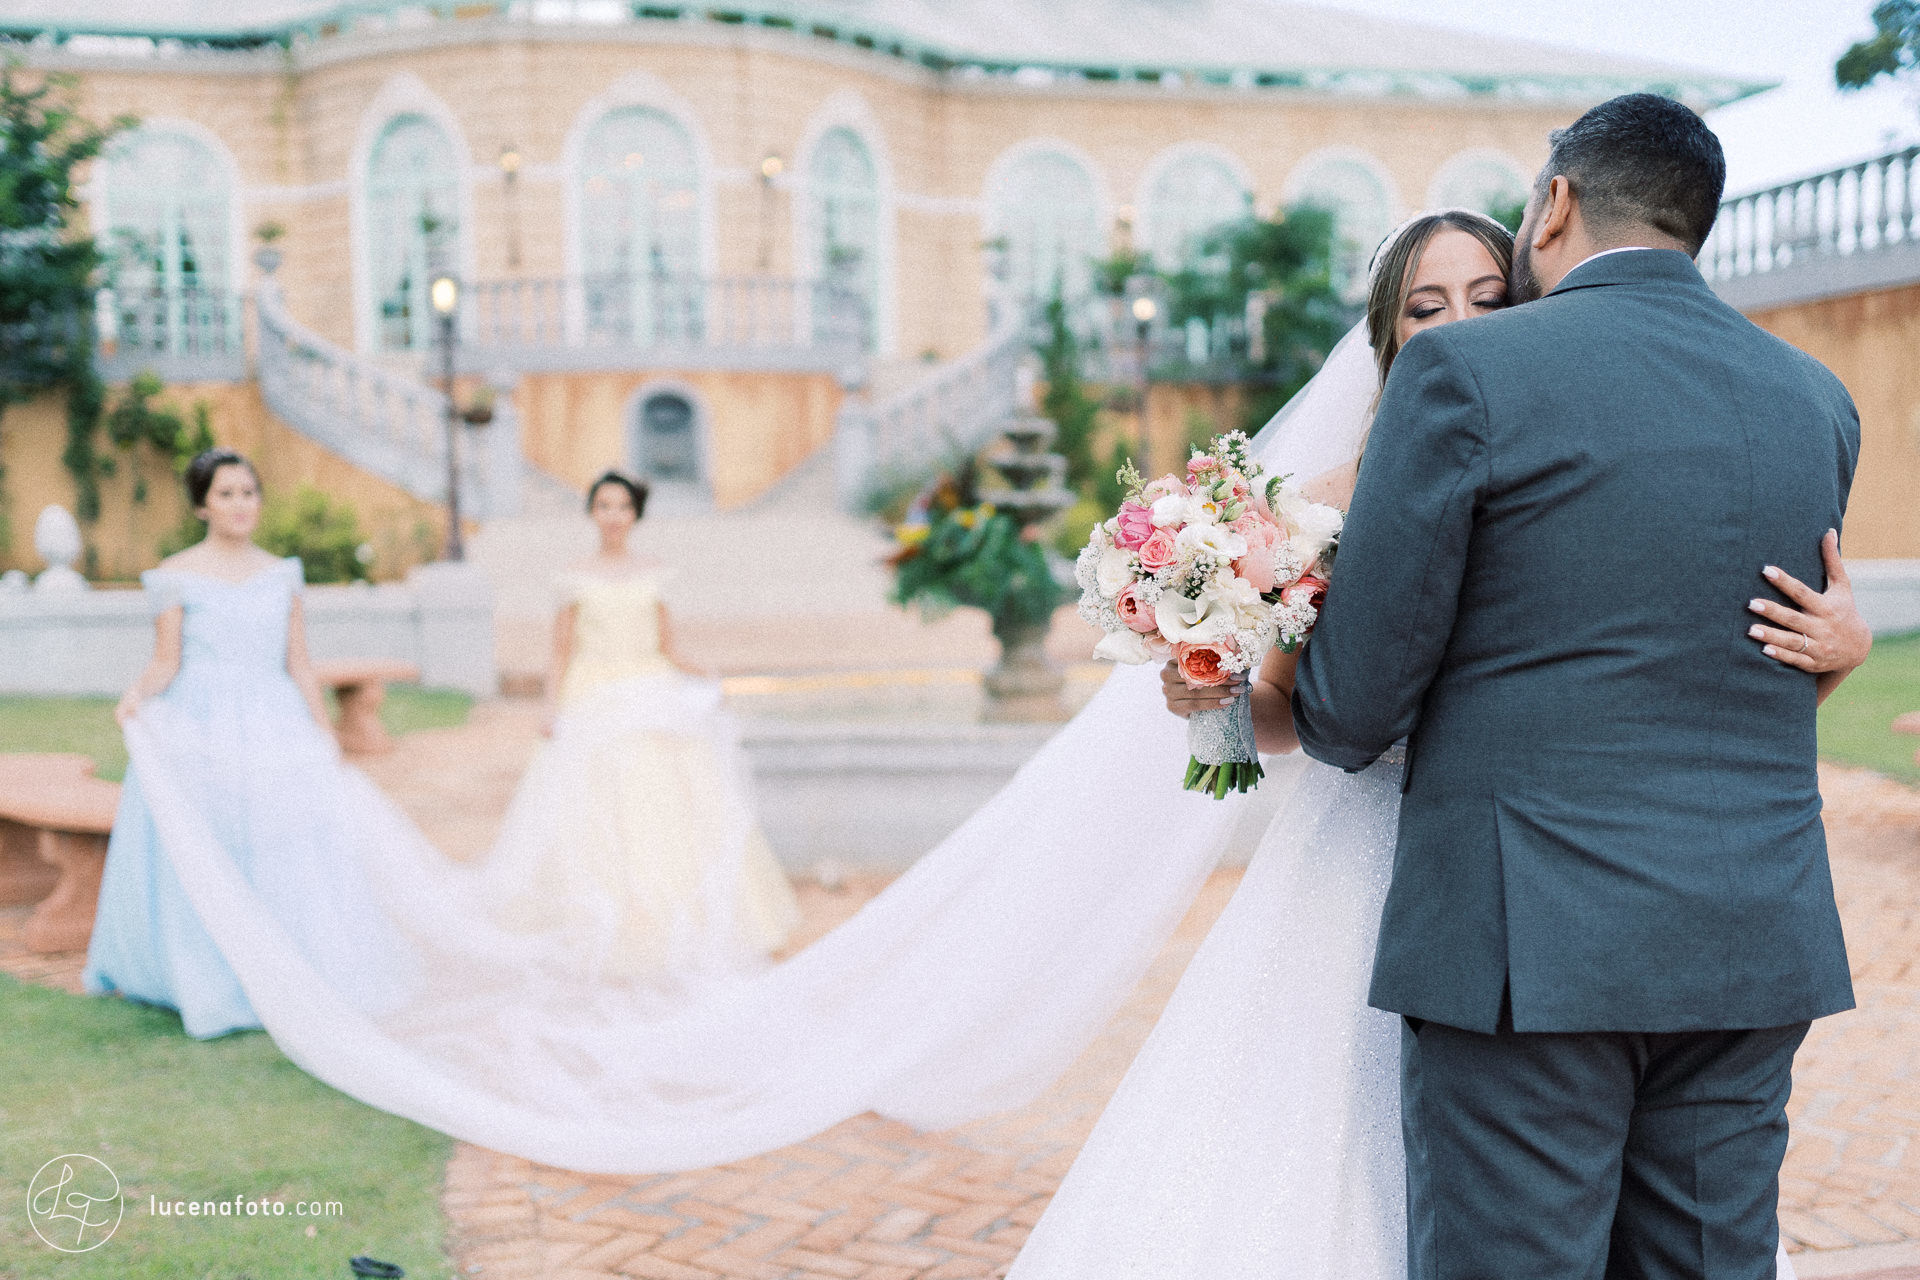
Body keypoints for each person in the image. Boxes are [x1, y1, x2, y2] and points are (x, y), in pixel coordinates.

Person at [1011, 202, 1869, 1279]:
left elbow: (1661, 661)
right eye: (1427, 306)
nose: (1460, 321)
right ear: (1387, 332)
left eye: (1488, 297)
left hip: (1517, 896)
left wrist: (1844, 645)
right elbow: (1280, 717)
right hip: (1406, 876)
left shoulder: (1568, 450)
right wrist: (1210, 686)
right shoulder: (1309, 510)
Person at [1288, 95, 1859, 1278]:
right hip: (1750, 932)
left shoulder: (1461, 373)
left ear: (1552, 203)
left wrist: (1275, 629)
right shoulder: (1817, 401)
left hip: (1527, 949)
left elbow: (1350, 713)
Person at [85, 449, 400, 1037]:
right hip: (199, 726)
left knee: (284, 843)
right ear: (203, 504)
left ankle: (287, 965)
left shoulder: (283, 574)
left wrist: (322, 731)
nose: (240, 504)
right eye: (226, 493)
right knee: (213, 842)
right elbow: (166, 662)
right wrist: (135, 697)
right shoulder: (175, 576)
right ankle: (204, 971)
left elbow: (300, 664)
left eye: (249, 492)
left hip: (274, 722)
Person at [475, 470, 797, 982]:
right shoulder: (573, 577)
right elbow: (560, 651)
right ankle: (598, 925)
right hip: (592, 696)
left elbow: (668, 647)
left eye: (622, 506)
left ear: (635, 515)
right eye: (603, 505)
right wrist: (550, 707)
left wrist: (706, 678)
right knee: (593, 809)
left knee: (662, 804)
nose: (613, 515)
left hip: (650, 692)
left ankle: (664, 925)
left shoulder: (656, 574)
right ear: (591, 513)